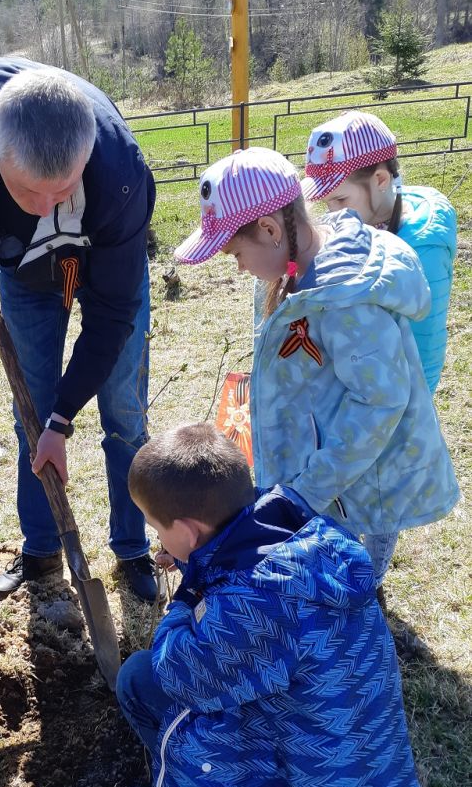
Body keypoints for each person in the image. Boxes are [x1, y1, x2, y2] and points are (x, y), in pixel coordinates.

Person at [116, 422, 427, 787]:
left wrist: (186, 594)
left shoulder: (254, 606)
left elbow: (176, 672)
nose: (157, 541)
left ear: (186, 531)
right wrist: (199, 565)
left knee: (139, 679)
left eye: (157, 529)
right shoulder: (302, 533)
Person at [0, 58, 158, 601]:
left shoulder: (123, 181)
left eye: (61, 192)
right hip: (27, 274)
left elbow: (112, 318)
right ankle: (41, 552)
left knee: (124, 412)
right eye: (29, 192)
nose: (45, 209)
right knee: (31, 412)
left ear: (86, 155)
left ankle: (132, 550)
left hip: (102, 261)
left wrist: (64, 421)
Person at [173, 146, 458, 594]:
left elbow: (379, 401)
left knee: (346, 589)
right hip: (326, 486)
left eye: (235, 254)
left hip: (348, 488)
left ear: (269, 229)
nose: (240, 266)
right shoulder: (299, 275)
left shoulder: (345, 299)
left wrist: (307, 493)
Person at [302, 109, 456, 394]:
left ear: (381, 180)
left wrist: (411, 403)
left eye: (340, 200)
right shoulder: (366, 220)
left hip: (399, 395)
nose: (332, 213)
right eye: (326, 204)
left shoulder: (424, 252)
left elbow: (425, 341)